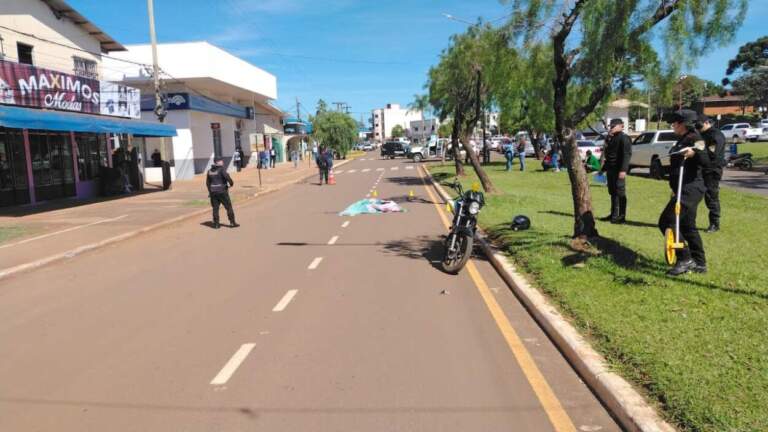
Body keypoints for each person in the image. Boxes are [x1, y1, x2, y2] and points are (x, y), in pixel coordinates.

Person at [659, 109, 710, 276]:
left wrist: (694, 153)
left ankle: (684, 258)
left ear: (684, 124)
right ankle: (700, 263)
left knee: (668, 221)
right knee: (688, 226)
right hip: (681, 189)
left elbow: (705, 159)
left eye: (676, 122)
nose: (673, 125)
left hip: (690, 189)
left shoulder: (696, 139)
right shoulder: (682, 139)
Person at [697, 114, 726, 233]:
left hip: (712, 170)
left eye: (699, 124)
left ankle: (714, 224)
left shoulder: (716, 135)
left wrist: (698, 152)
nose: (697, 127)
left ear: (706, 123)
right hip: (701, 169)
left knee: (711, 197)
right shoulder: (702, 134)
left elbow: (712, 153)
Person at [599, 118, 632, 224]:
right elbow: (609, 156)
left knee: (620, 193)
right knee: (613, 193)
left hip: (619, 170)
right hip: (611, 169)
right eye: (611, 126)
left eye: (613, 126)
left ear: (621, 126)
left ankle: (622, 217)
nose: (611, 128)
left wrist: (623, 170)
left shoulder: (624, 138)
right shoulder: (611, 138)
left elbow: (627, 155)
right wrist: (603, 169)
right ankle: (613, 214)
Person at [206, 157, 238, 229]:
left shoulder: (209, 171)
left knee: (215, 208)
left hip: (213, 192)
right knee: (228, 207)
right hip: (222, 192)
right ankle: (232, 223)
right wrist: (231, 183)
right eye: (221, 161)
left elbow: (207, 183)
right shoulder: (221, 169)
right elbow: (227, 177)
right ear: (217, 162)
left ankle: (216, 224)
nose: (222, 162)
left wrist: (210, 191)